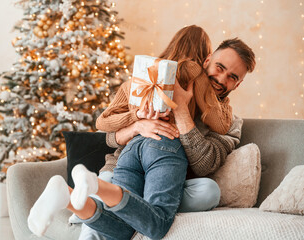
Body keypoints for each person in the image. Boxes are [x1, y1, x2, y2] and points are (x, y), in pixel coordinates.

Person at [27, 33, 255, 239]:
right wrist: (138, 124)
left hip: (151, 166)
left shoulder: (227, 120)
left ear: (239, 83)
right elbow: (104, 130)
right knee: (154, 225)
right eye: (220, 67)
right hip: (139, 157)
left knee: (130, 225)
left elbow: (205, 164)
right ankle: (100, 190)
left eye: (232, 77)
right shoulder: (165, 85)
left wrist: (180, 107)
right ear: (206, 61)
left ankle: (71, 197)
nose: (222, 78)